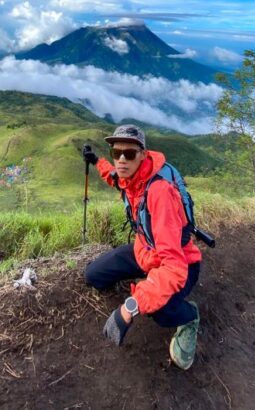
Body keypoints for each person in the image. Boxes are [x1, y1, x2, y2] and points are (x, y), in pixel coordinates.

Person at [81, 124, 203, 370]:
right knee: (93, 275)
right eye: (117, 154)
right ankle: (149, 281)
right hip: (145, 251)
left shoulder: (159, 193)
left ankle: (190, 317)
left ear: (143, 155)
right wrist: (96, 160)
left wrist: (130, 307)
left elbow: (173, 266)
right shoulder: (130, 180)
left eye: (129, 154)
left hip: (181, 263)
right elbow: (112, 176)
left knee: (161, 311)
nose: (122, 160)